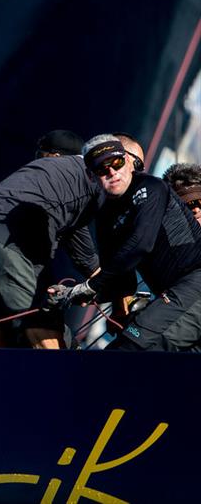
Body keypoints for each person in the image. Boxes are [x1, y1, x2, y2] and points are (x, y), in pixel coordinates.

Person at [48, 134, 201, 351]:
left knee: (129, 349)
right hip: (179, 295)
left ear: (129, 163)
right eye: (102, 168)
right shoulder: (104, 214)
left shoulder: (151, 187)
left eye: (117, 162)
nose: (112, 171)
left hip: (192, 286)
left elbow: (140, 244)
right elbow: (122, 282)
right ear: (91, 176)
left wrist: (90, 287)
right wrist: (70, 295)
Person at [0, 129, 101, 349]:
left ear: (55, 157)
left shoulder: (39, 180)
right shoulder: (79, 177)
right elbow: (88, 257)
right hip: (11, 239)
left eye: (41, 155)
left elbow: (84, 252)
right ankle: (57, 383)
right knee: (39, 321)